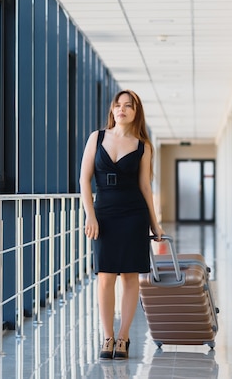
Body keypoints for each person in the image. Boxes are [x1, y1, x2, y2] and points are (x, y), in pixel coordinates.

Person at [79, 89, 164, 360]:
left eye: (128, 106)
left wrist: (155, 224)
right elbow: (84, 180)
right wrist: (89, 215)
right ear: (112, 110)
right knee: (104, 277)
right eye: (118, 105)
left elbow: (145, 188)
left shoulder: (143, 146)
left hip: (133, 215)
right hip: (103, 214)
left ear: (136, 112)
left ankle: (124, 337)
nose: (122, 110)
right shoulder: (97, 137)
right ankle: (107, 336)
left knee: (129, 277)